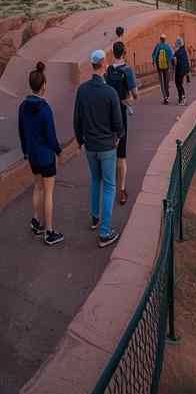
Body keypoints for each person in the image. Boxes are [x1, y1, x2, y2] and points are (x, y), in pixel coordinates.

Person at [73, 49, 125, 248]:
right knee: (110, 186)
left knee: (95, 180)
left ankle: (95, 217)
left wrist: (79, 140)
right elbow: (118, 122)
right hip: (107, 146)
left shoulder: (82, 90)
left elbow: (77, 118)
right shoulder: (109, 92)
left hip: (91, 146)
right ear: (103, 64)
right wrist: (118, 136)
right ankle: (104, 232)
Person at [20, 62, 64, 246]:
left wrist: (25, 151)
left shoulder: (23, 106)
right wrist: (58, 151)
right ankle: (49, 231)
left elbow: (21, 130)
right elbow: (51, 136)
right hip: (46, 156)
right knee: (49, 193)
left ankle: (36, 221)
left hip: (32, 156)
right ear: (43, 85)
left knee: (37, 187)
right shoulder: (45, 109)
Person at [105, 41, 137, 206]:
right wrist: (131, 98)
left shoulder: (108, 71)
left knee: (110, 152)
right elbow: (134, 94)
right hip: (121, 115)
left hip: (108, 116)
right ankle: (122, 189)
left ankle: (110, 186)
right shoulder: (128, 70)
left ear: (113, 53)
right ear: (124, 53)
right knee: (121, 156)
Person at [150, 34, 174, 104]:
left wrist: (154, 62)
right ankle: (167, 94)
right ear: (165, 39)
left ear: (160, 39)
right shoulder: (167, 46)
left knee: (161, 81)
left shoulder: (158, 46)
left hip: (159, 67)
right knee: (166, 81)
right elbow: (171, 55)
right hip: (166, 66)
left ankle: (165, 97)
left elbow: (154, 54)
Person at [173, 37, 191, 105]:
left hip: (179, 70)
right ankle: (181, 97)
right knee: (180, 84)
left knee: (178, 84)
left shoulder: (177, 53)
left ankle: (182, 98)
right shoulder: (184, 50)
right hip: (184, 70)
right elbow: (186, 61)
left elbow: (174, 63)